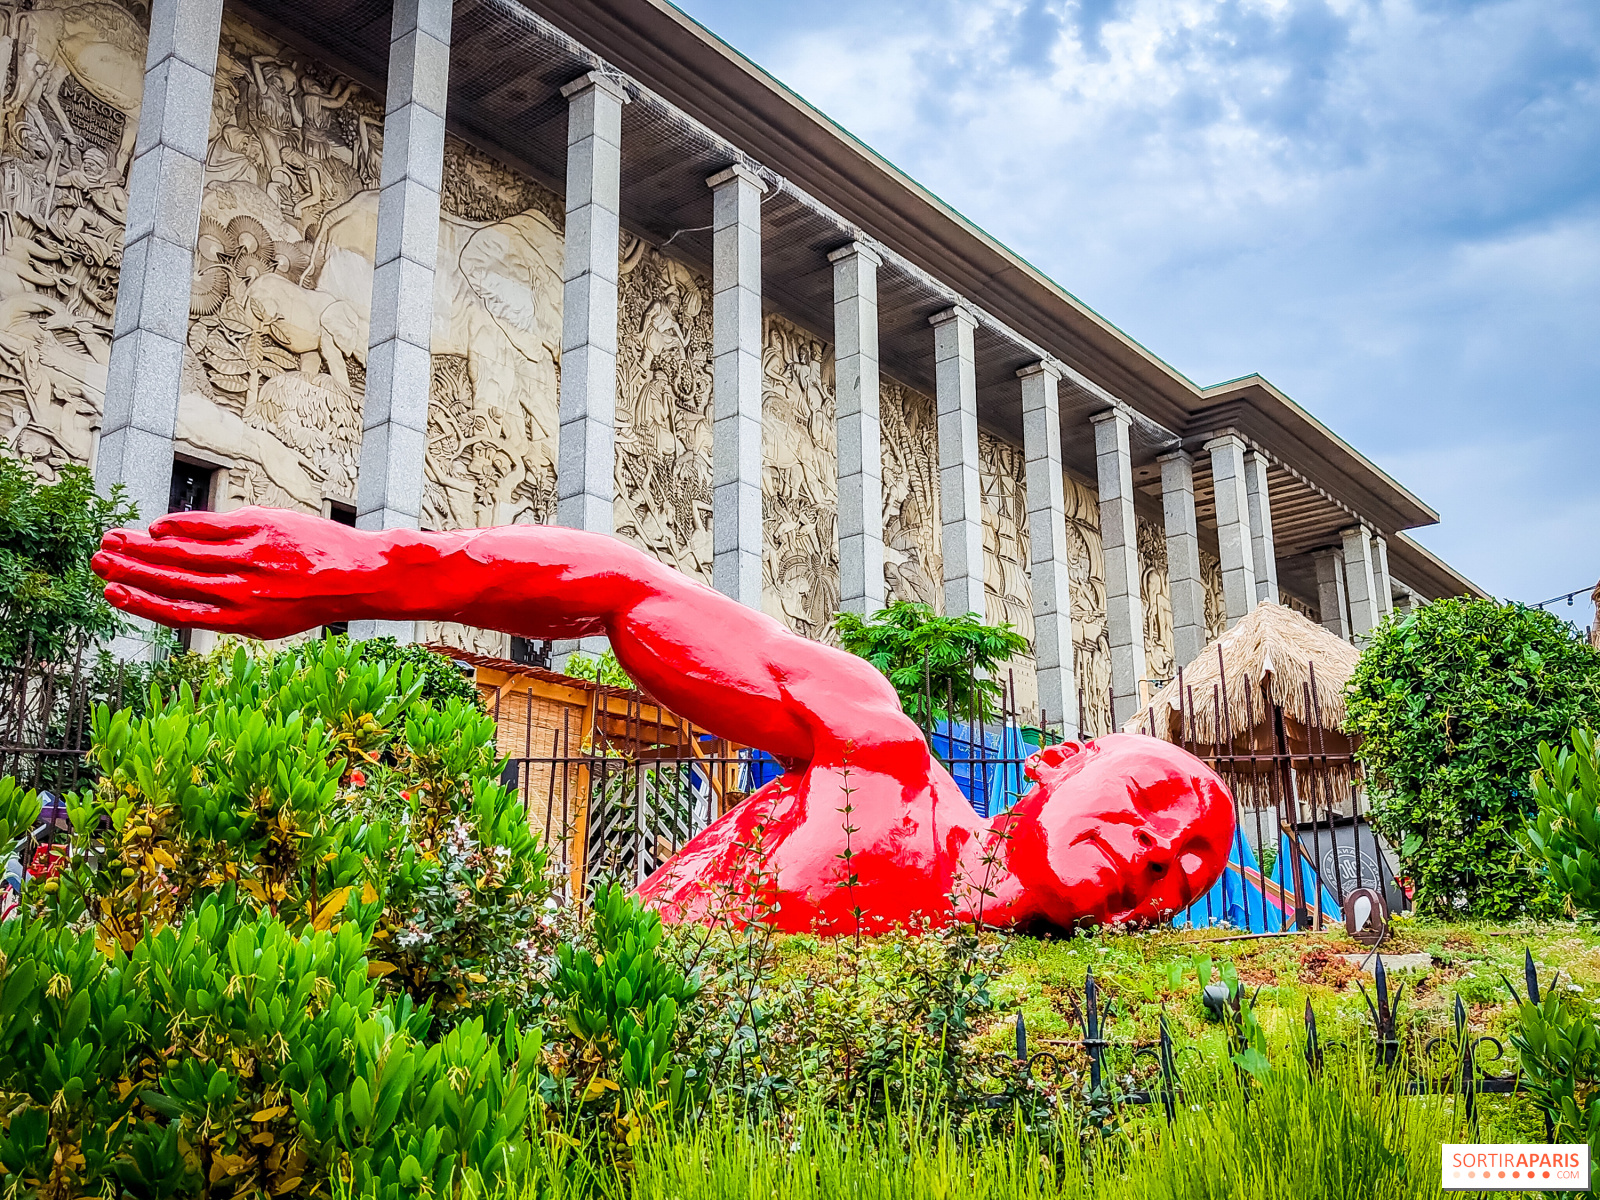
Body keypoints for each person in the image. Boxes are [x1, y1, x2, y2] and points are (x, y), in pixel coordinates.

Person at [92, 508, 1235, 935]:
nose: (1161, 859)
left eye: (1188, 868)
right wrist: (371, 571)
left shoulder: (1073, 998)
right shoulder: (875, 756)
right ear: (1061, 762)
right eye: (1153, 805)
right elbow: (629, 591)